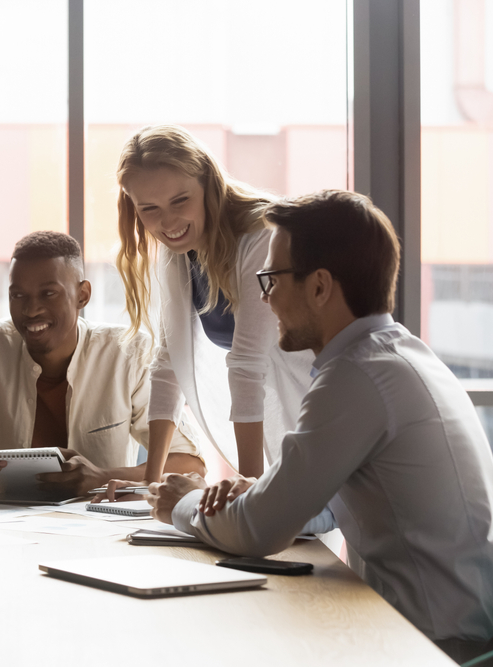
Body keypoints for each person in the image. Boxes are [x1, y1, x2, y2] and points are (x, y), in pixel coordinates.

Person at [148, 190, 493, 660]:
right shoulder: (395, 354)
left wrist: (182, 501)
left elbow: (258, 533)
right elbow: (330, 506)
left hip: (432, 644)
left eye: (269, 280)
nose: (265, 299)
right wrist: (263, 494)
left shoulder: (357, 376)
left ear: (319, 286)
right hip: (437, 628)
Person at [0, 231, 206, 497]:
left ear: (82, 295)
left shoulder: (129, 352)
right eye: (18, 295)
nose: (31, 309)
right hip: (0, 535)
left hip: (96, 533)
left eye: (48, 293)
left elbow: (188, 464)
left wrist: (102, 477)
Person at [112, 125, 313, 484]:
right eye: (149, 209)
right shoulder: (180, 250)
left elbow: (248, 365)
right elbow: (168, 364)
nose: (168, 222)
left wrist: (248, 493)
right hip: (277, 411)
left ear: (207, 183)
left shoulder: (262, 238)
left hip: (319, 405)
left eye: (180, 201)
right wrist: (150, 483)